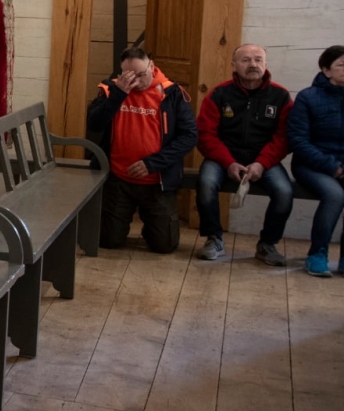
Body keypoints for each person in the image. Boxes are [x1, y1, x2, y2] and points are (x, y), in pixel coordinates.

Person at [86, 46, 197, 253]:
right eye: (129, 76)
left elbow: (189, 136)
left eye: (140, 75)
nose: (136, 81)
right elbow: (94, 124)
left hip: (156, 179)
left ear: (151, 67)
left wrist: (152, 163)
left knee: (164, 245)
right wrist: (119, 94)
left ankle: (154, 226)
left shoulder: (172, 93)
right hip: (118, 178)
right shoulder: (111, 89)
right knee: (107, 240)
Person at [194, 44, 293, 264]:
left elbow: (284, 138)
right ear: (234, 65)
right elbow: (205, 134)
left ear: (265, 64)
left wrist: (262, 163)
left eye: (258, 60)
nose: (253, 64)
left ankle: (267, 244)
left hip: (263, 159)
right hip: (223, 157)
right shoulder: (219, 93)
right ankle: (214, 239)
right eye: (246, 60)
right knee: (206, 183)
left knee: (284, 192)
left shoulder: (281, 96)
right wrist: (228, 162)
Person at [288, 44, 344, 278]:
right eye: (341, 65)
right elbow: (298, 141)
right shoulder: (307, 97)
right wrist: (333, 167)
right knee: (334, 194)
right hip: (311, 165)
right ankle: (317, 254)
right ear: (326, 70)